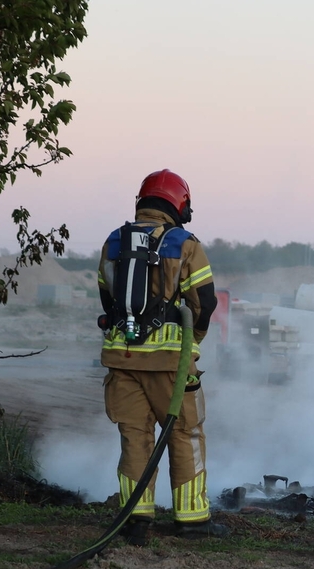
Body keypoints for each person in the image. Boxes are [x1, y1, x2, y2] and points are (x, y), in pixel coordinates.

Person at [97, 169, 228, 546]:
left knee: (134, 436)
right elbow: (203, 304)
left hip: (122, 360)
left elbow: (109, 299)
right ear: (178, 204)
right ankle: (192, 521)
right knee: (185, 435)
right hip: (171, 366)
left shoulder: (113, 242)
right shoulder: (185, 245)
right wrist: (189, 341)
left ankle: (135, 520)